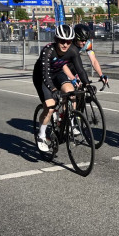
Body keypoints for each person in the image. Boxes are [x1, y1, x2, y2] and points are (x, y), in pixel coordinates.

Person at [33, 24, 90, 152]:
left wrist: (87, 84)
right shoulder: (48, 50)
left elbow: (80, 70)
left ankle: (67, 119)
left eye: (68, 41)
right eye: (62, 41)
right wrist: (53, 90)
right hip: (42, 77)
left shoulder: (73, 51)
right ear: (56, 39)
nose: (65, 44)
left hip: (58, 74)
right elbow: (46, 75)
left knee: (71, 93)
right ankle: (41, 135)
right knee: (50, 107)